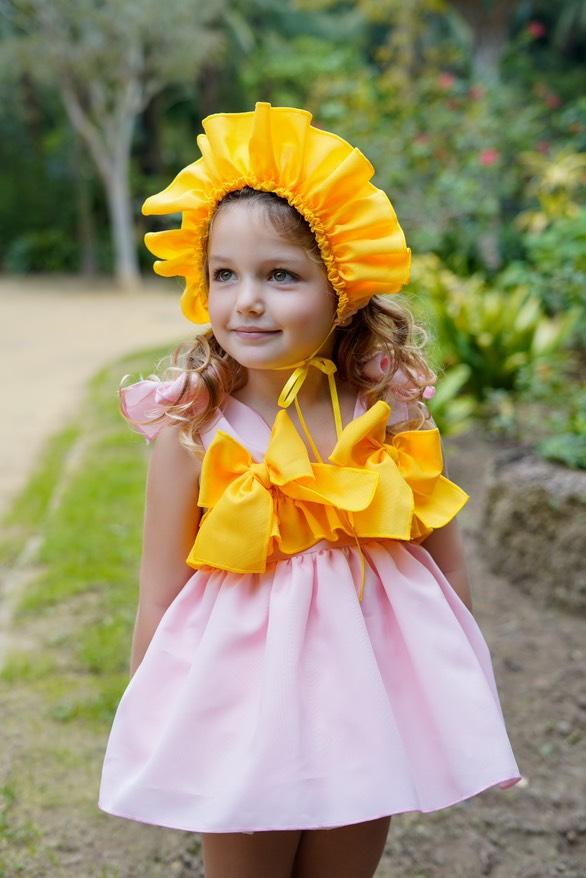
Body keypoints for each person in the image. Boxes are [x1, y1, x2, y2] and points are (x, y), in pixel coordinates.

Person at [98, 102, 521, 878]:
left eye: (281, 275)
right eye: (224, 274)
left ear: (343, 285)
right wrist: (154, 714)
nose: (247, 300)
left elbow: (443, 561)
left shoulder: (389, 413)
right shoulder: (194, 431)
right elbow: (160, 591)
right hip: (239, 709)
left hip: (363, 706)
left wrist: (452, 683)